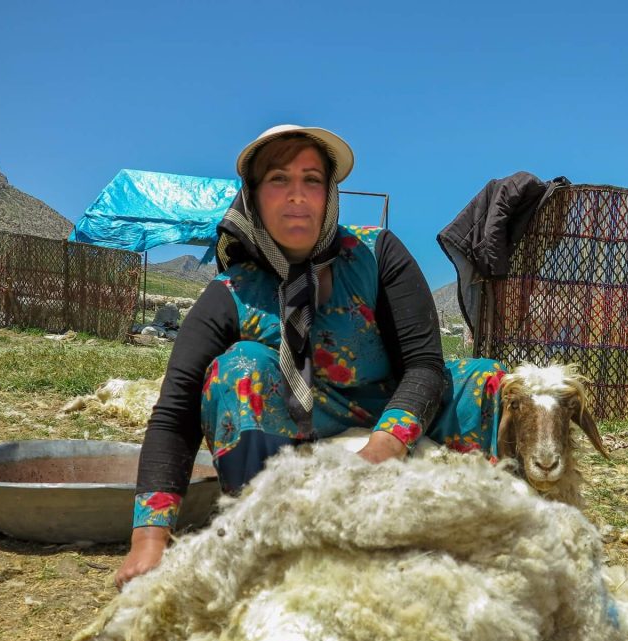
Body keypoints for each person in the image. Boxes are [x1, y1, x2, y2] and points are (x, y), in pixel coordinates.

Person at [115, 124, 504, 588]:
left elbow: (424, 365)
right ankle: (267, 540)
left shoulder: (376, 254)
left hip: (390, 412)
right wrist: (149, 542)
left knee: (484, 378)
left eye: (312, 180)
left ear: (330, 195)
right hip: (294, 431)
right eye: (279, 179)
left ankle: (473, 541)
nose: (297, 195)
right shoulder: (231, 293)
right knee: (237, 369)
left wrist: (383, 446)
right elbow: (175, 413)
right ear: (254, 197)